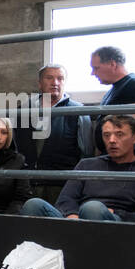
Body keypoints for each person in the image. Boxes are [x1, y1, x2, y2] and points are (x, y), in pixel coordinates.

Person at [20, 115, 135, 221]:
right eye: (106, 135)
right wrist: (72, 215)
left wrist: (117, 213)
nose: (111, 140)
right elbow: (65, 199)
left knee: (92, 208)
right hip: (77, 219)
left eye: (119, 134)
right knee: (34, 204)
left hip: (115, 224)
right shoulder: (86, 165)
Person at [30, 65, 92, 204]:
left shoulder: (78, 111)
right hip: (29, 183)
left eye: (60, 78)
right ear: (40, 83)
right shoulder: (25, 109)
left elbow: (86, 153)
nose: (55, 83)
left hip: (62, 185)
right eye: (49, 78)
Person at [89, 46, 135, 166]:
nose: (93, 73)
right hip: (114, 158)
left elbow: (128, 126)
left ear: (112, 64)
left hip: (129, 162)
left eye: (96, 68)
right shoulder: (114, 90)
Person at [0, 116, 32, 214]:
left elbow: (21, 198)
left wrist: (6, 221)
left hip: (3, 217)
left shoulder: (17, 161)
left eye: (4, 132)